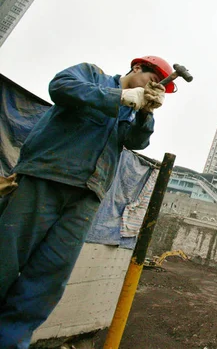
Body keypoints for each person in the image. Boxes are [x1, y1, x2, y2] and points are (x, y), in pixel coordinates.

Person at [0, 56, 174, 348]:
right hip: (46, 178)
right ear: (136, 68)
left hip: (86, 197)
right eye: (151, 81)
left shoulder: (130, 113)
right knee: (4, 258)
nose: (151, 87)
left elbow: (135, 142)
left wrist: (145, 114)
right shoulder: (92, 77)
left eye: (158, 88)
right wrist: (119, 97)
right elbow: (60, 87)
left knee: (48, 279)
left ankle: (10, 342)